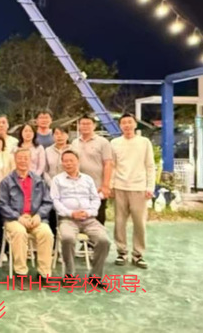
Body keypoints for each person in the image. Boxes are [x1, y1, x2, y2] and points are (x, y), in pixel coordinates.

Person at [51, 149, 110, 285]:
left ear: (78, 161)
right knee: (67, 238)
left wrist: (88, 212)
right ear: (62, 163)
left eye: (71, 160)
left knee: (104, 241)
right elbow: (55, 201)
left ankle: (95, 276)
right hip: (68, 219)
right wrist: (71, 213)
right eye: (65, 161)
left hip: (89, 219)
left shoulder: (87, 179)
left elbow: (95, 199)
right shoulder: (57, 180)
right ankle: (69, 274)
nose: (68, 163)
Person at [0, 148, 54, 281]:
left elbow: (47, 202)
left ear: (30, 160)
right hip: (14, 219)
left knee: (46, 233)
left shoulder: (39, 181)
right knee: (19, 233)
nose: (23, 161)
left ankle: (44, 273)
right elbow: (2, 204)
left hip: (36, 218)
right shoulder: (6, 181)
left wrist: (39, 215)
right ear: (15, 160)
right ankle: (20, 272)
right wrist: (18, 217)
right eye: (20, 158)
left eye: (26, 158)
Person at [110, 114, 155, 269]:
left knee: (139, 223)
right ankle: (121, 252)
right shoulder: (114, 143)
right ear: (120, 126)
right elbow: (113, 166)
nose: (127, 125)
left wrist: (150, 187)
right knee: (119, 222)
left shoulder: (144, 142)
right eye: (124, 123)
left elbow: (150, 166)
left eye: (130, 122)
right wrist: (111, 185)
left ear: (135, 124)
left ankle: (138, 254)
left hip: (139, 187)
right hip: (120, 187)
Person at [70, 115, 114, 225]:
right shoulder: (74, 143)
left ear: (94, 126)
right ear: (79, 126)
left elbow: (108, 164)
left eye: (88, 124)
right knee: (81, 217)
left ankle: (98, 236)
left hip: (97, 186)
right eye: (83, 124)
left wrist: (106, 185)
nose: (85, 126)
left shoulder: (103, 142)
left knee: (98, 217)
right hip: (79, 187)